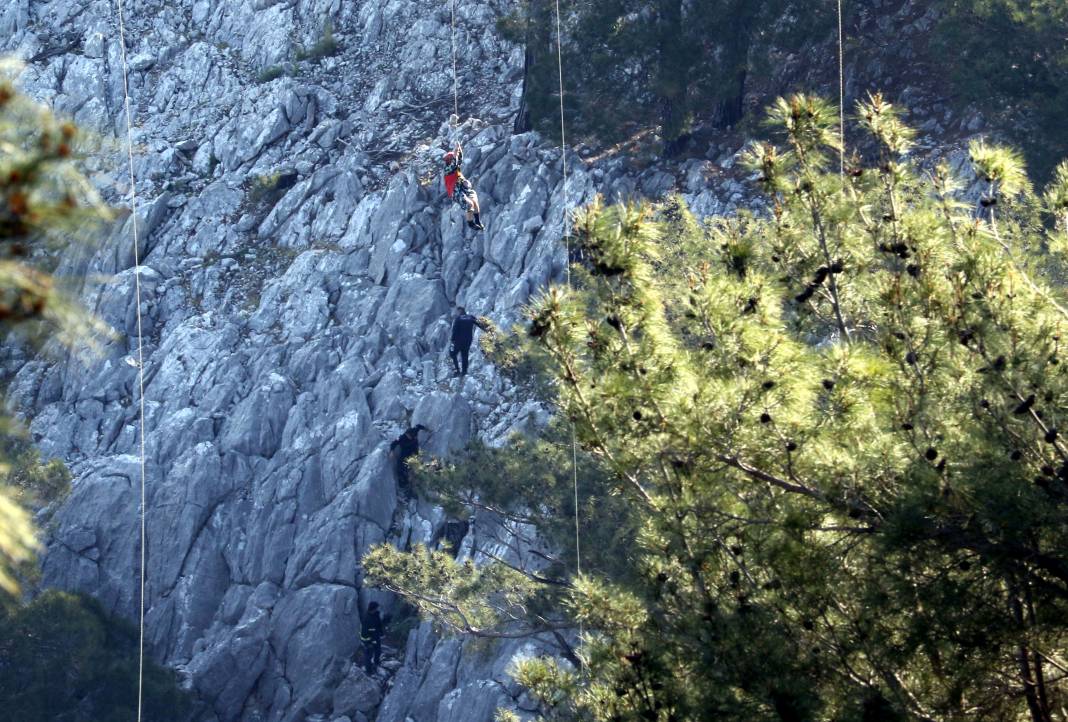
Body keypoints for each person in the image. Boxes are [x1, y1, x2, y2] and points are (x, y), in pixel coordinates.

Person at [443, 142, 484, 230]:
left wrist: (459, 148)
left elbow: (459, 159)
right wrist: (455, 149)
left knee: (474, 201)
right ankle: (470, 223)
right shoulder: (448, 169)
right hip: (456, 192)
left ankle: (477, 221)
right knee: (469, 204)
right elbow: (455, 160)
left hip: (462, 188)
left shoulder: (455, 166)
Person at [449, 307, 488, 377]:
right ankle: (464, 372)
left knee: (452, 354)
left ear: (459, 311)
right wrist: (487, 330)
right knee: (465, 355)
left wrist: (452, 340)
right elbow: (479, 324)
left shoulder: (458, 319)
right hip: (468, 341)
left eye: (457, 312)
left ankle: (457, 370)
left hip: (458, 341)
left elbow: (454, 330)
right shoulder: (470, 317)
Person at [389, 424, 428, 493]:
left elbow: (418, 426)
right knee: (400, 468)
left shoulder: (414, 431)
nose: (410, 437)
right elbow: (393, 443)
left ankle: (414, 480)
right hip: (405, 453)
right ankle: (404, 484)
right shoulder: (401, 438)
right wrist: (392, 451)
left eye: (411, 436)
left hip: (414, 452)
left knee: (416, 468)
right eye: (409, 436)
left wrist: (426, 429)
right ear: (406, 434)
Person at [360, 601, 384, 675]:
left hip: (376, 637)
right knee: (368, 655)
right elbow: (364, 633)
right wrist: (368, 643)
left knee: (378, 651)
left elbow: (379, 625)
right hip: (369, 640)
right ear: (372, 609)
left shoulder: (376, 614)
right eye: (376, 608)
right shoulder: (366, 619)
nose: (377, 609)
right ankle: (369, 671)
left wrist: (381, 633)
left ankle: (376, 663)